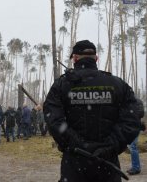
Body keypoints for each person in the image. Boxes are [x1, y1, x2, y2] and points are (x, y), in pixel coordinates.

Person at [44, 40, 140, 182]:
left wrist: (78, 146)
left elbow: (53, 120)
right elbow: (132, 118)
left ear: (75, 58)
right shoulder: (117, 84)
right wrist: (111, 146)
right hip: (107, 164)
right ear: (96, 58)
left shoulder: (61, 85)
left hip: (75, 165)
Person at [127, 98, 145, 175]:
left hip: (134, 126)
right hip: (136, 126)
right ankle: (135, 166)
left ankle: (136, 168)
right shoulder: (137, 101)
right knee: (133, 146)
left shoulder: (132, 102)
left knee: (133, 146)